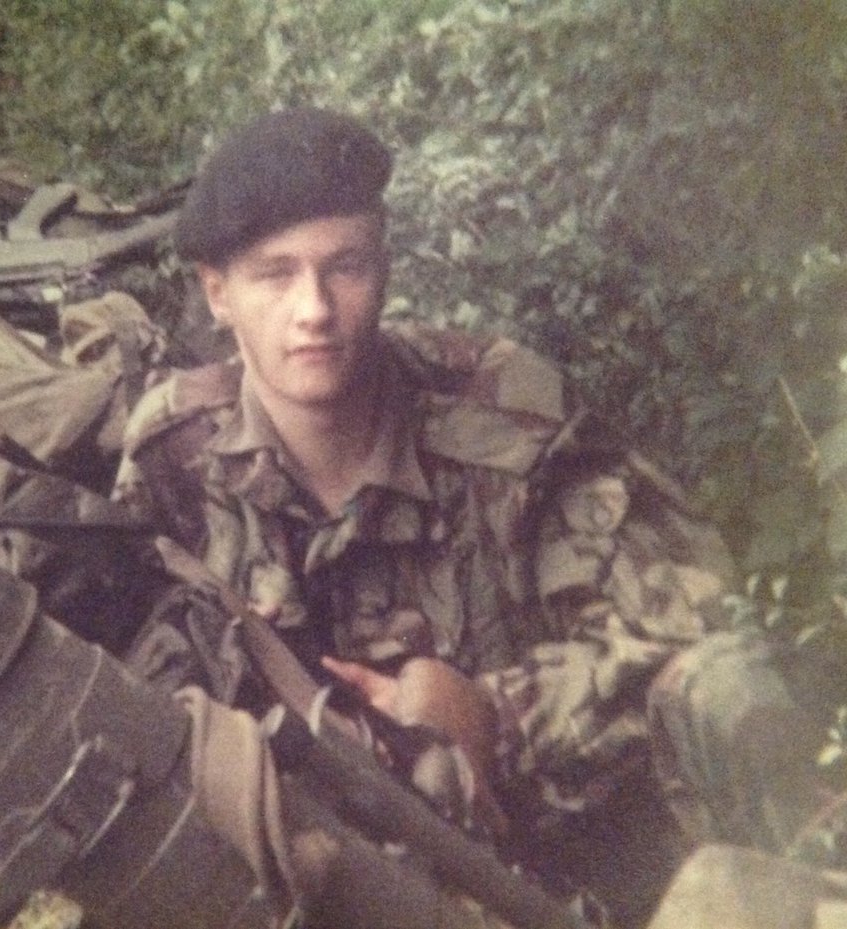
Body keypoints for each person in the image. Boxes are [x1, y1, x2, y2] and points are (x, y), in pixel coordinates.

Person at [111, 107, 832, 924]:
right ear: (218, 295)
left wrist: (493, 716)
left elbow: (691, 630)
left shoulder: (504, 407)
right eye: (275, 275)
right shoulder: (175, 452)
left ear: (383, 265)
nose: (313, 308)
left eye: (342, 265)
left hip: (572, 838)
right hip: (341, 872)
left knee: (735, 690)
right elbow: (150, 695)